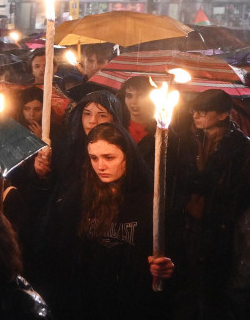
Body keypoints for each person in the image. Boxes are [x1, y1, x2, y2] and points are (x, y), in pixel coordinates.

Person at [40, 123, 174, 319]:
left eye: (109, 157)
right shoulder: (79, 195)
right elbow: (61, 249)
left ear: (127, 155)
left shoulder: (151, 199)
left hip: (133, 302)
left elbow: (172, 252)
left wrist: (165, 267)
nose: (100, 166)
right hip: (86, 300)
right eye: (94, 158)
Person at [176, 89, 250, 319]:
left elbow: (239, 191)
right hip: (189, 222)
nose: (196, 115)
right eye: (194, 110)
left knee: (215, 285)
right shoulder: (189, 139)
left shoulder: (240, 147)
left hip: (221, 227)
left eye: (203, 111)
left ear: (222, 115)